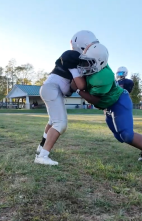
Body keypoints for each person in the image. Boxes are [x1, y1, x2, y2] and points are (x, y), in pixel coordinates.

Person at [75, 42, 142, 173]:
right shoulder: (94, 67)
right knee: (120, 137)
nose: (84, 65)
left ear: (98, 62)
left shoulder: (103, 76)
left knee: (127, 135)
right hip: (109, 105)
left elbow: (95, 100)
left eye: (89, 62)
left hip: (119, 101)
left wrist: (78, 90)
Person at [34, 30, 97, 166]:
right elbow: (80, 84)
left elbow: (73, 86)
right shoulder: (73, 56)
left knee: (52, 122)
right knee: (60, 123)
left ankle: (41, 148)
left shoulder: (75, 58)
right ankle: (42, 156)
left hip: (51, 88)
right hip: (51, 89)